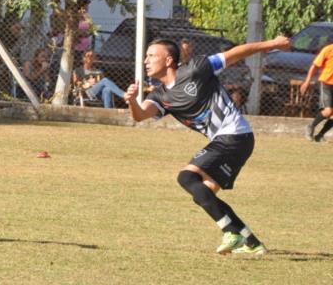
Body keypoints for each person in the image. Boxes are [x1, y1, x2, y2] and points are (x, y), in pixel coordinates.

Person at [123, 35, 291, 256]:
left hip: (235, 135)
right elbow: (141, 115)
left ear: (168, 60)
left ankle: (230, 232)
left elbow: (237, 53)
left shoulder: (197, 68)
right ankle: (252, 242)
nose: (146, 60)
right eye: (146, 56)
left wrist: (273, 44)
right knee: (204, 194)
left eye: (151, 55)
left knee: (186, 177)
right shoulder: (160, 95)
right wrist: (132, 101)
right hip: (230, 141)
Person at [300, 42, 333, 142]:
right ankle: (311, 126)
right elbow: (314, 66)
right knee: (328, 111)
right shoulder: (328, 49)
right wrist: (307, 82)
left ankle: (320, 136)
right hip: (327, 83)